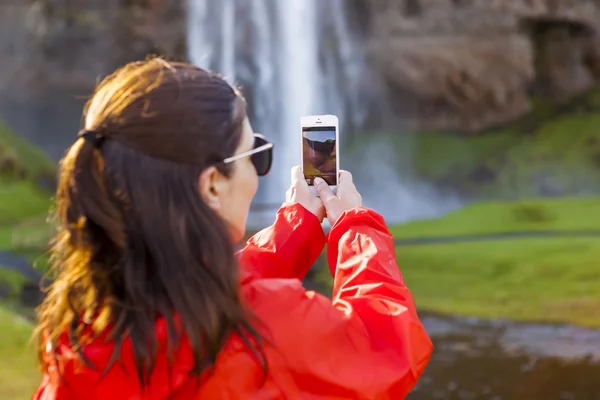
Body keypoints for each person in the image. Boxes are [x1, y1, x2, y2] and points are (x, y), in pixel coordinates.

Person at [32, 58, 433, 400]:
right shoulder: (263, 329)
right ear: (211, 185)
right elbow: (388, 348)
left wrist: (298, 224)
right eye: (255, 155)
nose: (259, 174)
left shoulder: (79, 329)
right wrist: (354, 225)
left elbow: (205, 285)